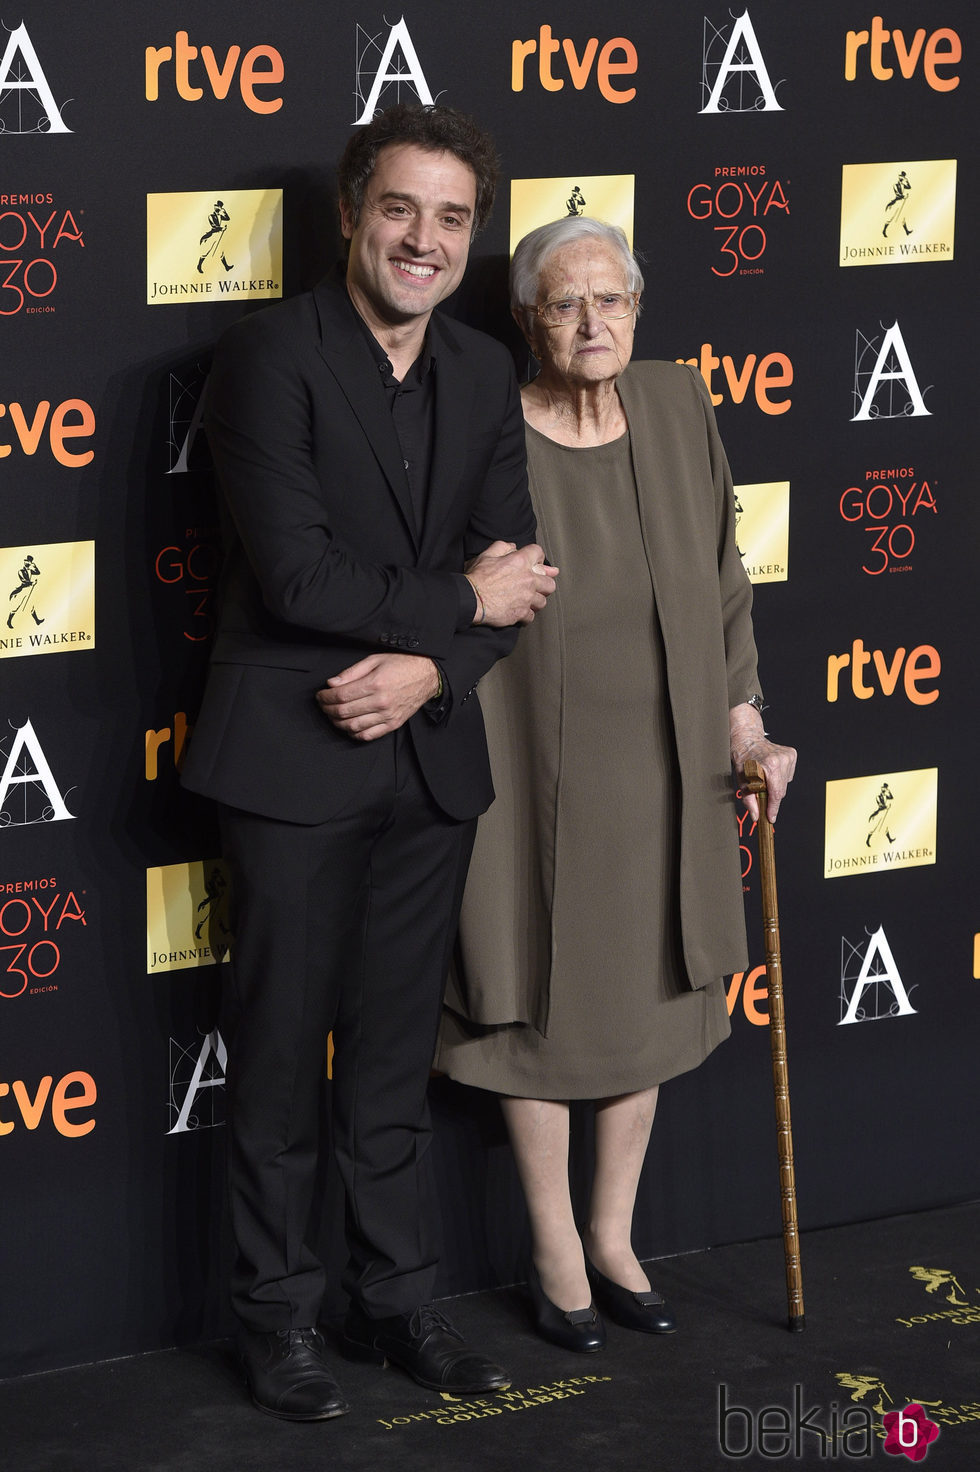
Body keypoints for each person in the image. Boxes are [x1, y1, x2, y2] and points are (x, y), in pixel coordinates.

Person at [181, 104, 557, 1421]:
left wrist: (432, 668)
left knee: (394, 1059)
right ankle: (276, 1320)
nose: (426, 238)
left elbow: (523, 587)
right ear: (351, 215)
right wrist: (456, 610)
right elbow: (296, 576)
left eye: (453, 219)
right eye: (401, 208)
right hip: (293, 757)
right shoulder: (269, 355)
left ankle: (393, 1302)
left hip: (427, 763)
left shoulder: (481, 372)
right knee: (281, 1060)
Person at [437, 216, 796, 1353]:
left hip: (667, 756)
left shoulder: (678, 403)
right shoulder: (487, 418)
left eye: (612, 300)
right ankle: (553, 1250)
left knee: (644, 991)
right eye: (562, 302)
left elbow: (722, 576)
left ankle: (613, 1237)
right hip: (522, 756)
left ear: (637, 310)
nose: (592, 322)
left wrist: (743, 719)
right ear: (525, 317)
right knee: (533, 991)